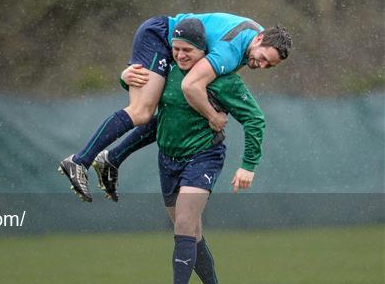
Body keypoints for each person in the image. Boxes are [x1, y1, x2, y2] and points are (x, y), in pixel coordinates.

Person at [59, 12, 291, 202]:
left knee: (175, 110)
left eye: (268, 65)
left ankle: (112, 158)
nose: (261, 65)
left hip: (176, 47)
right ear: (259, 39)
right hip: (159, 36)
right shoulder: (230, 52)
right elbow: (190, 86)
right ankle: (80, 161)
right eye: (262, 58)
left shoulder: (257, 37)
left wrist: (125, 78)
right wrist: (213, 117)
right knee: (141, 111)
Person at [145, 19, 268, 284]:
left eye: (189, 50)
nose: (181, 55)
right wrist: (126, 75)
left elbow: (255, 120)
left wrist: (248, 165)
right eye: (177, 49)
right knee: (190, 232)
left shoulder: (222, 79)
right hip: (168, 159)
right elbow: (138, 90)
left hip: (204, 157)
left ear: (204, 50)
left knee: (185, 225)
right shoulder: (168, 70)